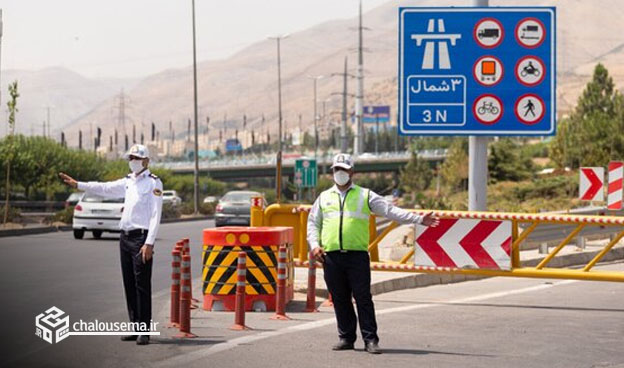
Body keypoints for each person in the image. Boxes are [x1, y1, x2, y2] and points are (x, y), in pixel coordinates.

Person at [307, 153, 439, 354]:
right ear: (332, 172)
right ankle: (346, 338)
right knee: (340, 298)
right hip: (331, 256)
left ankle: (370, 339)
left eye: (344, 169)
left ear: (352, 172)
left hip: (356, 256)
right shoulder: (324, 197)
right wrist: (314, 245)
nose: (340, 173)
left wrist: (419, 219)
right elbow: (313, 224)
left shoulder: (365, 195)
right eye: (337, 169)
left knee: (363, 298)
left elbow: (391, 212)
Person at [59, 144, 163, 345]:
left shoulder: (153, 183)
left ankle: (145, 330)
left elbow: (155, 215)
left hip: (141, 239)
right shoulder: (128, 182)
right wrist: (78, 184)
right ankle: (134, 327)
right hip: (124, 238)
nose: (132, 161)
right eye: (130, 158)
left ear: (146, 161)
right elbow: (103, 187)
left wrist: (149, 243)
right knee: (129, 284)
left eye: (136, 158)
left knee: (142, 285)